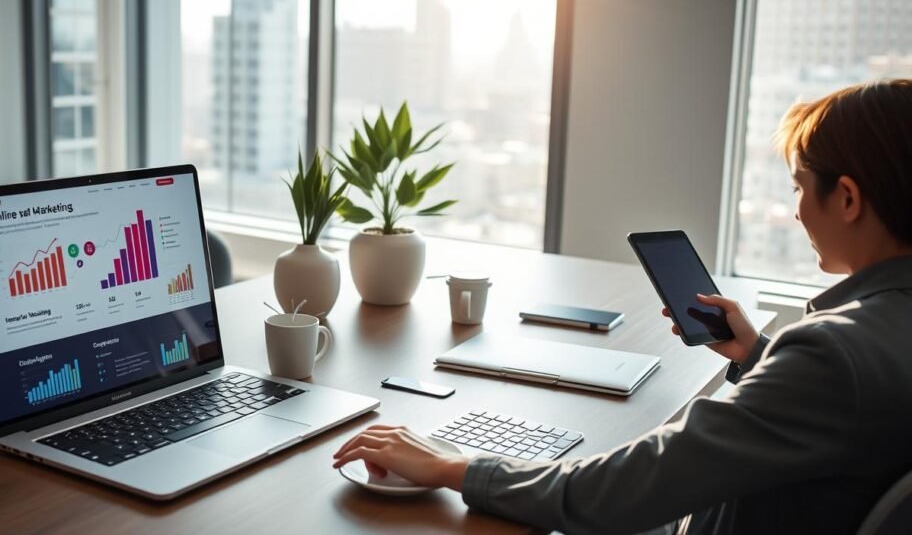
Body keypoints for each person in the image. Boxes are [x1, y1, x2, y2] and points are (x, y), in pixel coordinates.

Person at [331, 78, 912, 534]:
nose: (796, 212)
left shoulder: (834, 352)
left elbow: (627, 486)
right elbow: (844, 420)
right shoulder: (873, 341)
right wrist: (759, 356)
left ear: (848, 197)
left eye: (799, 188)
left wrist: (453, 466)